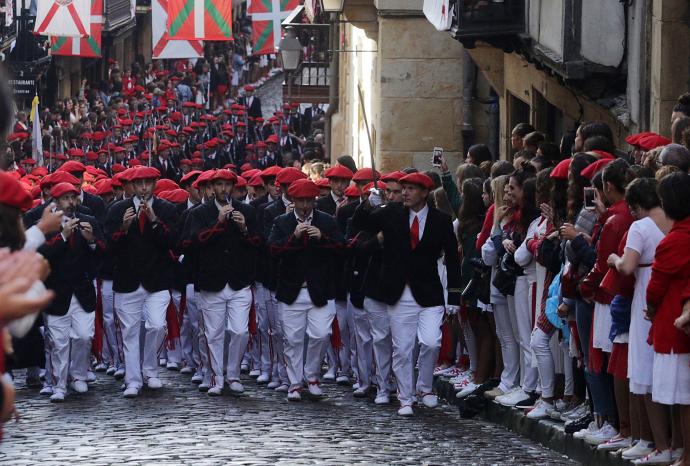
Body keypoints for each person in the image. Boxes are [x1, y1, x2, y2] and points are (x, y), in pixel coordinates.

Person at [353, 172, 461, 416]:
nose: (405, 193)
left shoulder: (441, 220)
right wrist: (367, 203)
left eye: (411, 189)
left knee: (431, 341)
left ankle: (424, 387)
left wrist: (454, 295)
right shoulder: (390, 213)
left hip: (429, 292)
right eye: (404, 188)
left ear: (425, 193)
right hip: (398, 292)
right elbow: (361, 224)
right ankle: (405, 398)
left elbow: (453, 258)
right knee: (402, 349)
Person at [104, 166, 178, 398]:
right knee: (130, 332)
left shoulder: (167, 209)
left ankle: (150, 370)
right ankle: (132, 379)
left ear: (155, 184)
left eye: (148, 182)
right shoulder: (117, 209)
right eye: (140, 183)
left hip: (157, 279)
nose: (144, 187)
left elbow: (172, 243)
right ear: (132, 187)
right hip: (127, 280)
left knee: (157, 326)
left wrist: (155, 220)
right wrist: (123, 229)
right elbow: (108, 247)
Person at [268, 178, 345, 401]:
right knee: (292, 338)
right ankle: (294, 382)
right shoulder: (282, 222)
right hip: (292, 290)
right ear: (293, 200)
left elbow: (342, 248)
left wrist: (322, 238)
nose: (304, 206)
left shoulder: (327, 221)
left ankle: (312, 376)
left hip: (320, 291)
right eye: (300, 201)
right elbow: (272, 250)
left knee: (321, 334)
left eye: (308, 201)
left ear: (314, 201)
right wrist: (294, 237)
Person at [188, 169, 258, 395]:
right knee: (214, 333)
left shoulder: (246, 210)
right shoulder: (201, 212)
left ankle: (234, 374)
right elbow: (195, 243)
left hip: (239, 280)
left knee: (239, 331)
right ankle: (217, 377)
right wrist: (217, 224)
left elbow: (259, 243)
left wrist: (244, 228)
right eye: (219, 185)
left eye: (227, 185)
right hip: (212, 280)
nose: (223, 189)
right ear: (212, 187)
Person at [38, 182, 102, 402]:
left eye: (73, 197)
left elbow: (104, 252)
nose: (71, 202)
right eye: (65, 198)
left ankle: (79, 375)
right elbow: (42, 254)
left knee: (84, 336)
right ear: (55, 202)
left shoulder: (89, 221)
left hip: (82, 291)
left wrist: (92, 241)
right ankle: (58, 384)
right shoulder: (46, 226)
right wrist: (63, 236)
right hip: (56, 293)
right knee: (58, 342)